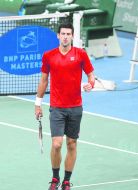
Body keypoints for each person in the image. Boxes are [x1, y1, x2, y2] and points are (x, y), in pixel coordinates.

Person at [34, 23, 95, 190]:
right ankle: (55, 178)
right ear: (58, 36)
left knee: (72, 144)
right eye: (63, 34)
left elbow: (91, 75)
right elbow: (44, 80)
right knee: (57, 144)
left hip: (75, 107)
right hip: (57, 107)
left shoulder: (81, 54)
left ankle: (66, 181)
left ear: (72, 36)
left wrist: (91, 84)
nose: (66, 36)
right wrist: (37, 104)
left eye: (69, 34)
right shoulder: (49, 56)